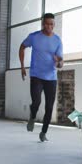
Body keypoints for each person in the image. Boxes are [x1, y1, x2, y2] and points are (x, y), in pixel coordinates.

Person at [19, 13, 63, 142]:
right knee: (36, 102)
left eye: (51, 24)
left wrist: (58, 62)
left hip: (51, 77)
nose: (49, 26)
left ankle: (43, 132)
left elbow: (61, 63)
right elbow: (22, 47)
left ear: (54, 25)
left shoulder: (57, 40)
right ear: (43, 24)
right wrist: (22, 66)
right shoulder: (34, 37)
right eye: (46, 23)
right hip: (36, 76)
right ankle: (32, 116)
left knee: (49, 107)